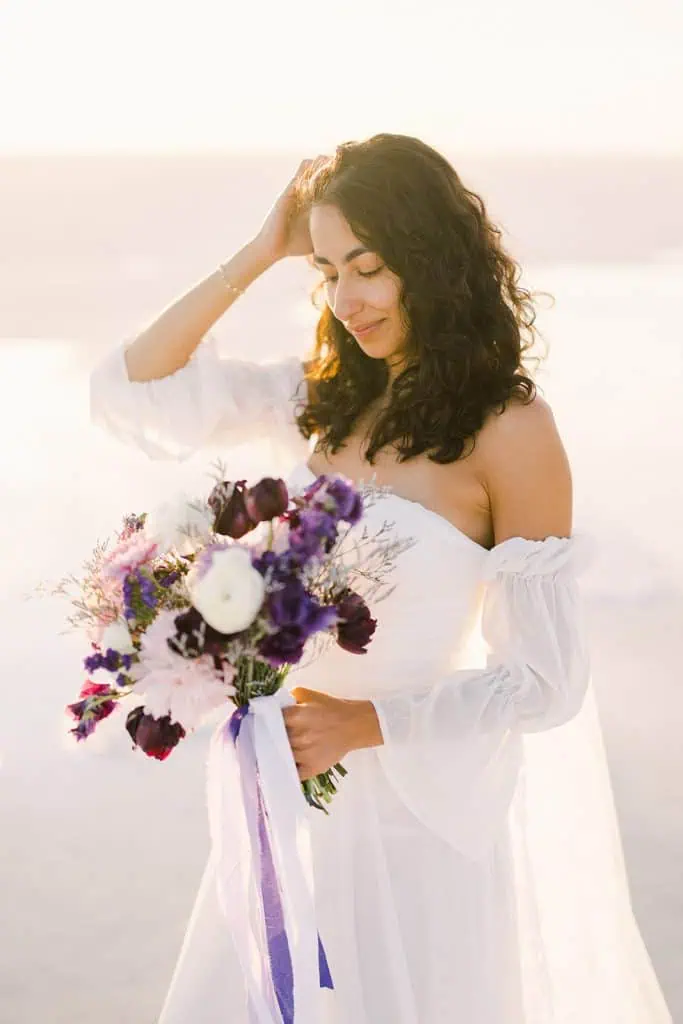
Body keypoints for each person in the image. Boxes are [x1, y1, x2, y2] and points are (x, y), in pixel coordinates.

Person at [89, 135, 672, 1022]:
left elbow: (546, 683)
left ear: (430, 260)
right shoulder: (319, 397)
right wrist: (256, 254)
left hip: (419, 828)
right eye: (324, 272)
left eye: (367, 266)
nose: (345, 299)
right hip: (288, 813)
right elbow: (130, 393)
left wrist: (368, 723)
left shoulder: (510, 431)